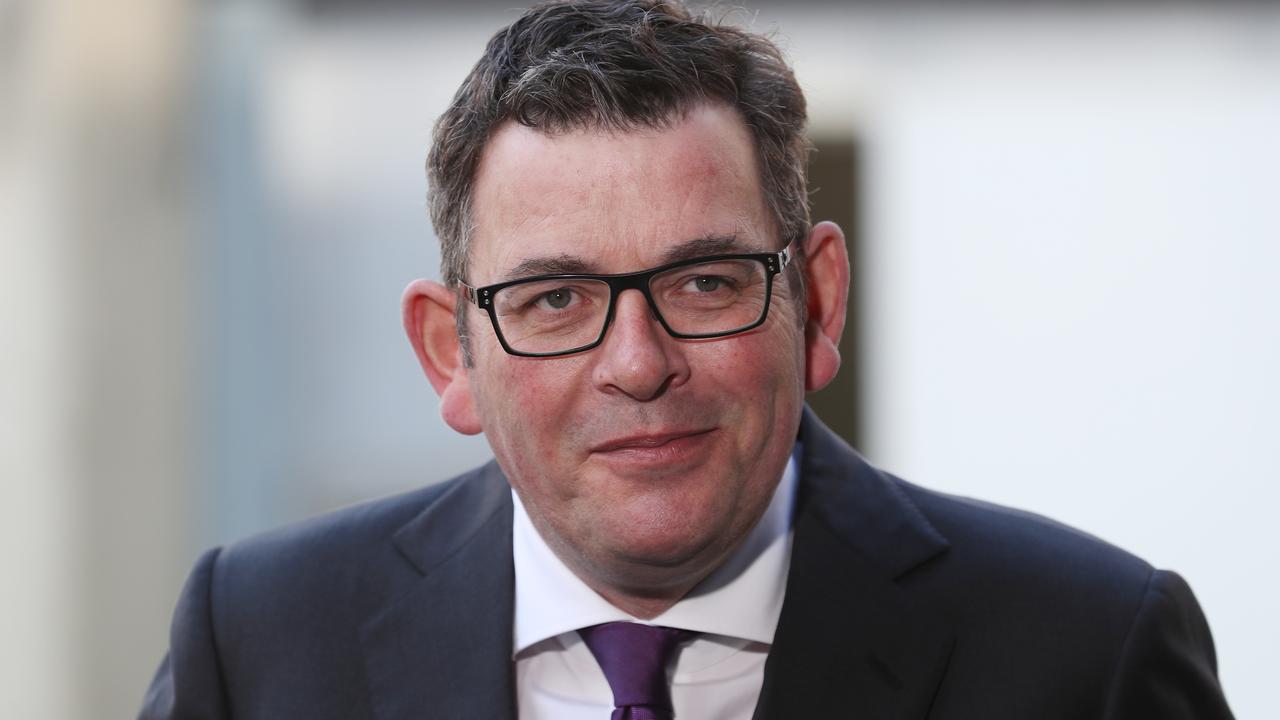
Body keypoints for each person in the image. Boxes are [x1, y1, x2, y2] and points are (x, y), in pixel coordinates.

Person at [139, 1, 1234, 718]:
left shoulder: (1085, 657)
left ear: (813, 303)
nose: (637, 362)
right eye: (555, 298)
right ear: (450, 355)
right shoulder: (262, 647)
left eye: (703, 283)